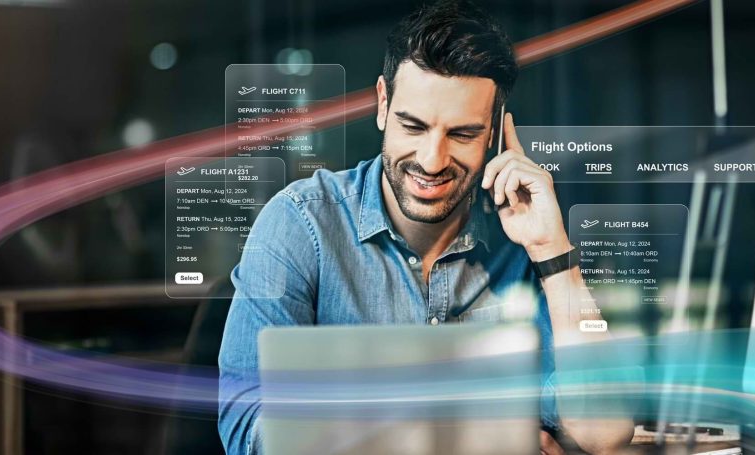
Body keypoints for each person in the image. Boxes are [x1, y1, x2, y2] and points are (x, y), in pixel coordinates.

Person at [215, 0, 633, 453]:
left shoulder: (522, 243)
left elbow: (604, 433)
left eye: (463, 134)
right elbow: (248, 429)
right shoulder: (301, 223)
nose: (432, 161)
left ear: (493, 133)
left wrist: (554, 252)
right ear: (382, 104)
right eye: (413, 127)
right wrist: (470, 434)